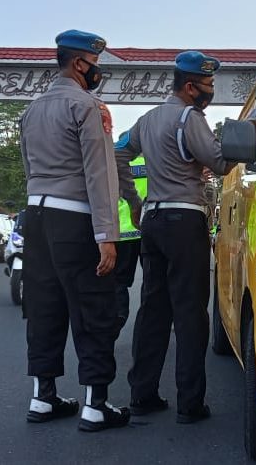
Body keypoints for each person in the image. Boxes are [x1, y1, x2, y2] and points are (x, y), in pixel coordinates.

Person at [19, 29, 141, 432]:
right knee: (94, 310)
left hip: (37, 216)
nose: (97, 71)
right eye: (95, 64)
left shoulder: (32, 110)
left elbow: (28, 168)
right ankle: (95, 405)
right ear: (78, 63)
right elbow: (100, 173)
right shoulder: (88, 106)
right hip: (75, 219)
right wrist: (107, 235)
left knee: (44, 308)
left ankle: (43, 398)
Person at [116, 51, 236, 423]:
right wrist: (241, 136)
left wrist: (133, 200)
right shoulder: (190, 117)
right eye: (208, 84)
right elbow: (220, 163)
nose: (211, 91)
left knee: (153, 310)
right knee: (189, 312)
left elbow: (118, 154)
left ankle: (142, 394)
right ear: (190, 87)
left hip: (152, 220)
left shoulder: (147, 119)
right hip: (185, 220)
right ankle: (190, 403)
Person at [112, 131, 147, 338]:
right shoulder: (150, 164)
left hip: (121, 233)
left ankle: (118, 317)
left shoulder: (114, 165)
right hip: (145, 230)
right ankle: (149, 321)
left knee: (118, 282)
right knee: (152, 280)